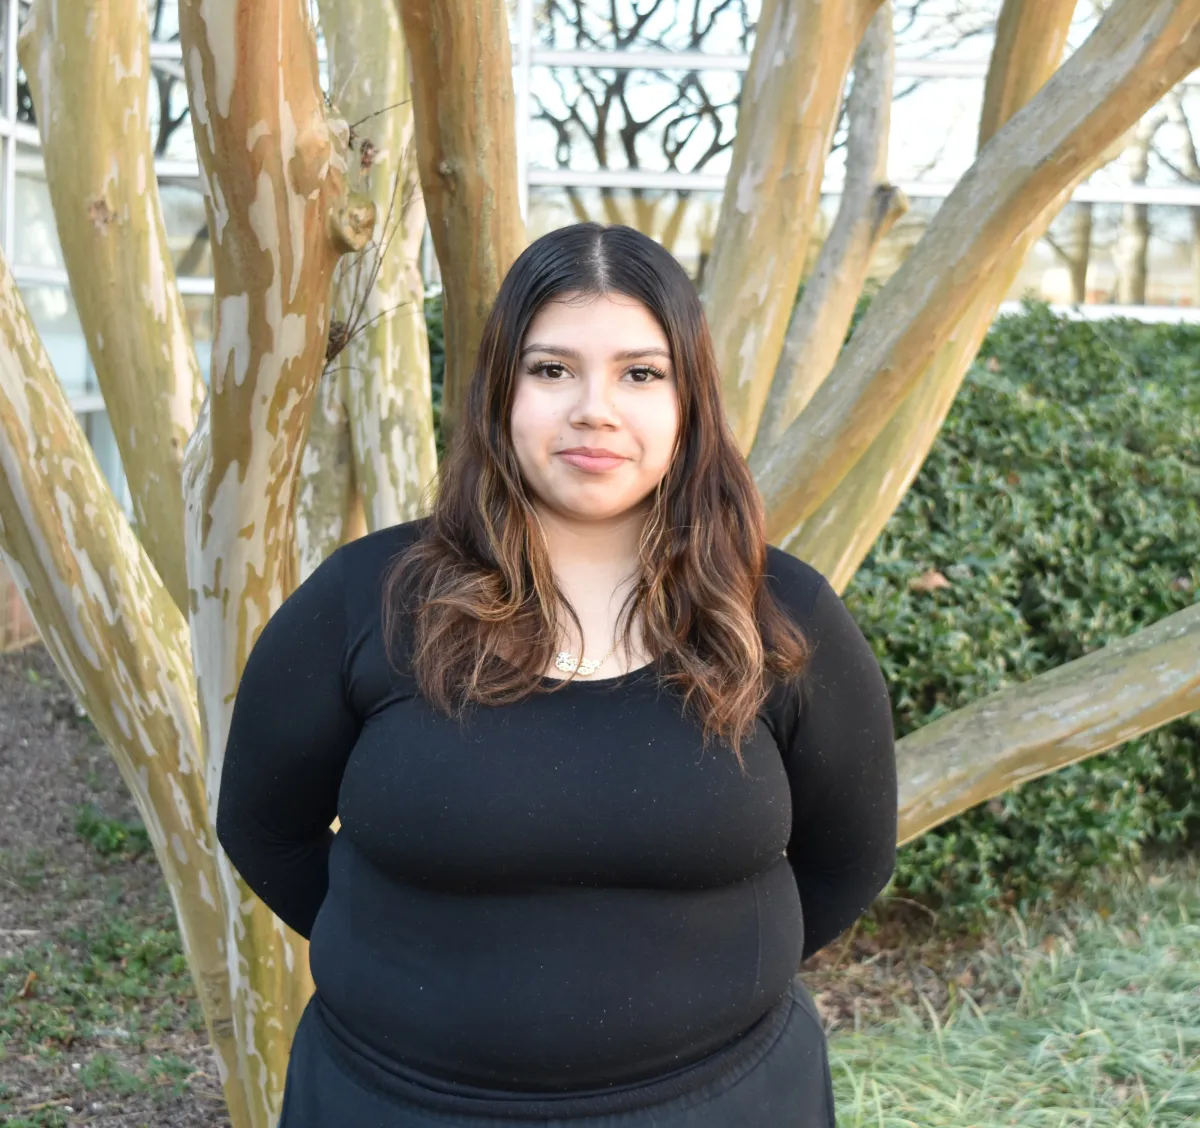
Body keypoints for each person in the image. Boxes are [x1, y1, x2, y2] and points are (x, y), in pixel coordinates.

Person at [217, 222, 898, 1127]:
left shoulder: (783, 618)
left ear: (690, 401)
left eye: (640, 373)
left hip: (726, 1101)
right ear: (501, 391)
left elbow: (850, 858)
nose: (595, 410)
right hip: (395, 1102)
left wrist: (701, 986)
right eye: (552, 370)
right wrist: (413, 976)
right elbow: (264, 828)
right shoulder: (364, 602)